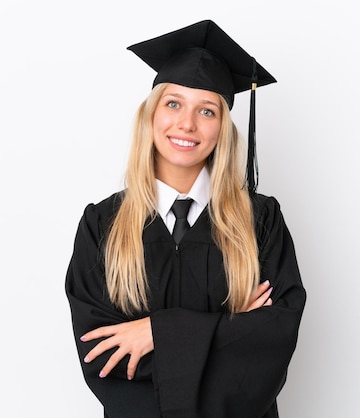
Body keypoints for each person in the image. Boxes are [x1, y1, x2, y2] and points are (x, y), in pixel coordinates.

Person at [65, 20, 306, 418]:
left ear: (222, 129)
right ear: (151, 115)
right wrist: (228, 327)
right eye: (173, 103)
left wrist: (154, 332)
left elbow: (270, 345)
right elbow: (103, 357)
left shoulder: (261, 222)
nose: (187, 124)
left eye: (206, 110)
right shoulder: (102, 225)